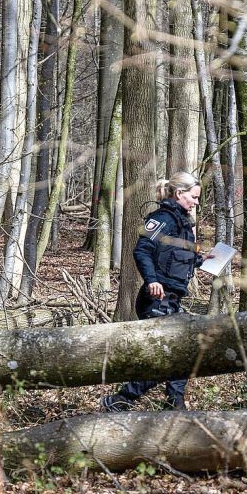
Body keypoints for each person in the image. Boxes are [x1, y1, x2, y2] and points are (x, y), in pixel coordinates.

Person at [101, 172, 205, 412]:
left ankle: (174, 405)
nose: (196, 202)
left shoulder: (183, 225)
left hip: (173, 299)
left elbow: (183, 257)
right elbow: (142, 250)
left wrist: (204, 259)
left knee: (182, 352)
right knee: (171, 357)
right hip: (157, 298)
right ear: (179, 194)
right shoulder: (163, 219)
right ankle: (121, 399)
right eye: (194, 197)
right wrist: (152, 280)